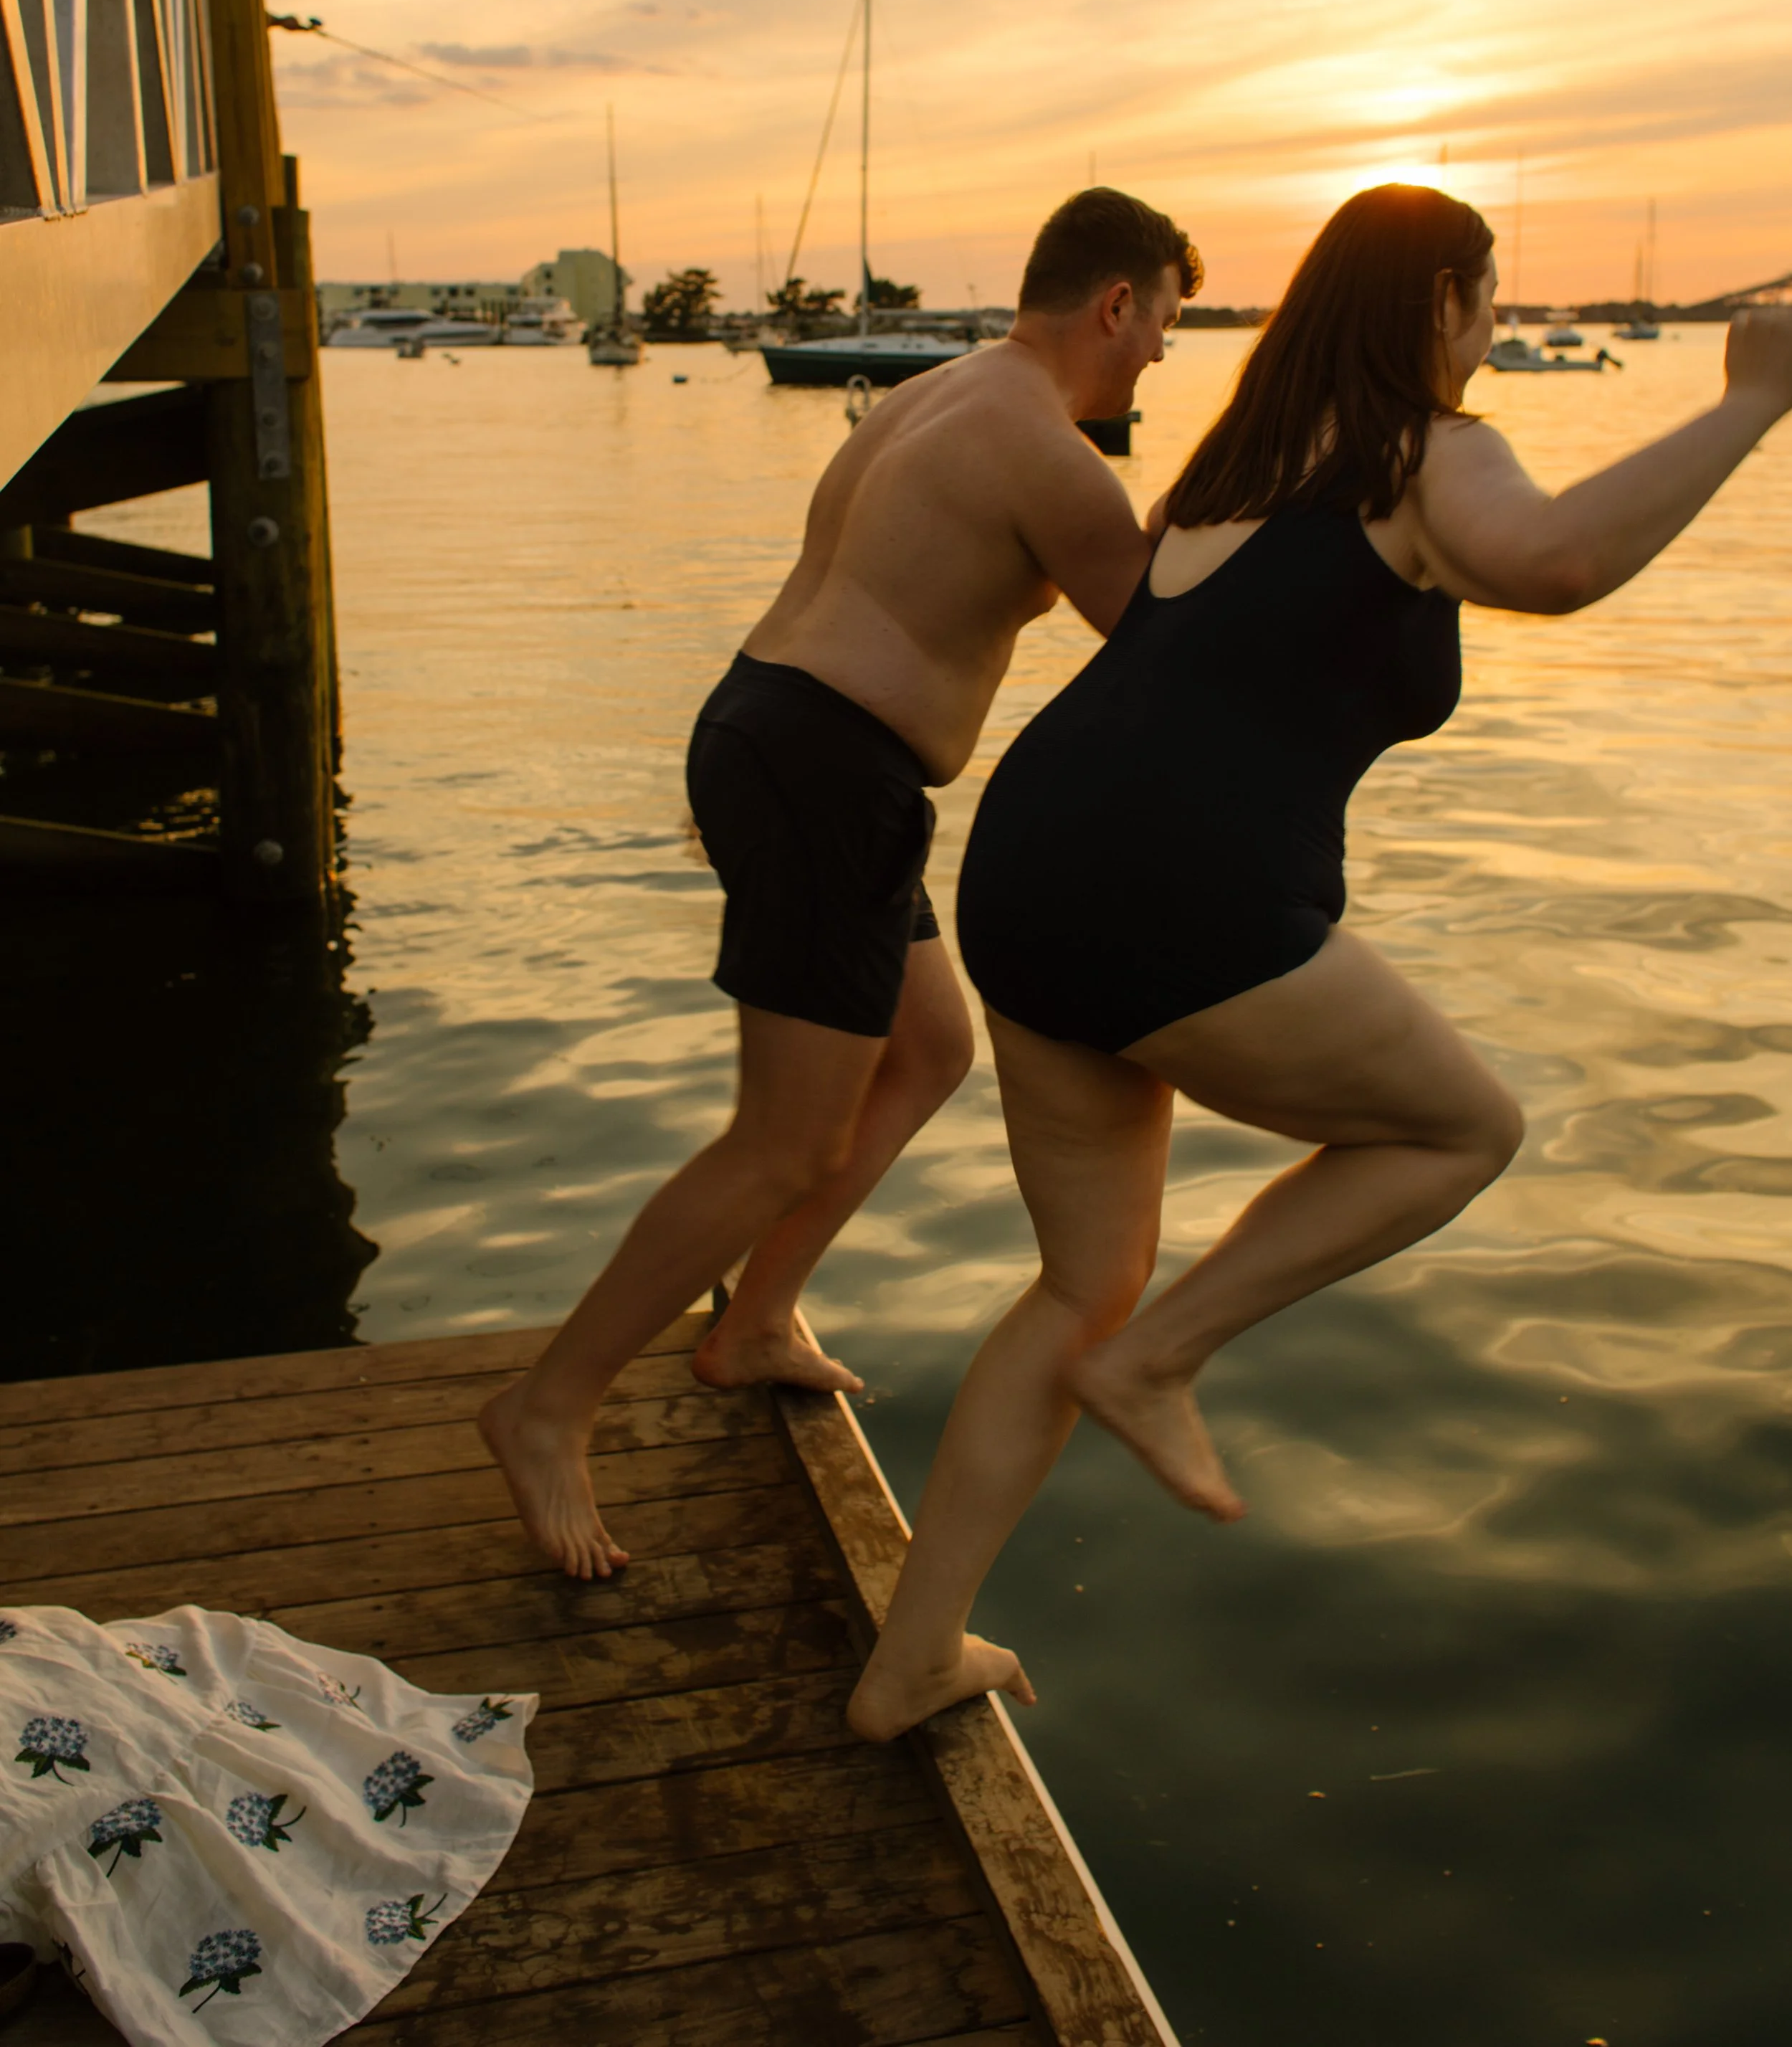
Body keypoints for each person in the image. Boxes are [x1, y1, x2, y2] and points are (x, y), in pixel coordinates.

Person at [847, 181, 1792, 1741]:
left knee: (1076, 1285)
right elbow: (1549, 564)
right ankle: (1161, 1362)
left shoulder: (1233, 461)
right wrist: (1752, 404)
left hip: (1032, 868)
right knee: (1459, 1128)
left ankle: (912, 1659)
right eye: (1486, 305)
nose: (1490, 337)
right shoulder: (1424, 452)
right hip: (1179, 892)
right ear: (1438, 302)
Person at [483, 187, 1201, 1577]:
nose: (1163, 354)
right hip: (818, 769)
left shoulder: (939, 394)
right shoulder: (1041, 452)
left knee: (925, 1049)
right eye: (1164, 322)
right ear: (1115, 302)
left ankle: (754, 1322)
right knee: (784, 1141)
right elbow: (1161, 639)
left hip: (778, 737)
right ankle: (544, 1408)